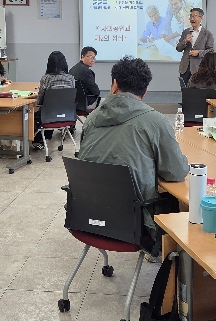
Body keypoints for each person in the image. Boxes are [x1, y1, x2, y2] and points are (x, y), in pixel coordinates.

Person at [79, 56, 188, 234]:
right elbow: (175, 172)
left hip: (88, 217)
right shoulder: (156, 122)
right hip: (135, 225)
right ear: (144, 92)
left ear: (114, 85)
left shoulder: (90, 119)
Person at [34, 51, 76, 148]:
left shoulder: (46, 78)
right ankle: (45, 137)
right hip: (68, 115)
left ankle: (38, 139)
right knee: (53, 108)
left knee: (33, 113)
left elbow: (40, 101)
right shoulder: (71, 78)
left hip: (49, 115)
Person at [175, 8, 214, 86]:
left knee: (197, 93)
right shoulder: (186, 32)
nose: (192, 19)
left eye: (195, 16)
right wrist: (185, 41)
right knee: (185, 92)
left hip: (199, 68)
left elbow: (211, 51)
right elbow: (178, 48)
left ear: (201, 18)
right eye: (191, 16)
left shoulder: (207, 34)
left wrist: (198, 53)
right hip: (185, 68)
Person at [69, 46, 100, 111]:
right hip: (84, 102)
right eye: (90, 57)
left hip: (72, 101)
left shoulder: (73, 69)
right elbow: (96, 91)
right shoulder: (86, 71)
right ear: (82, 57)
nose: (93, 60)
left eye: (94, 58)